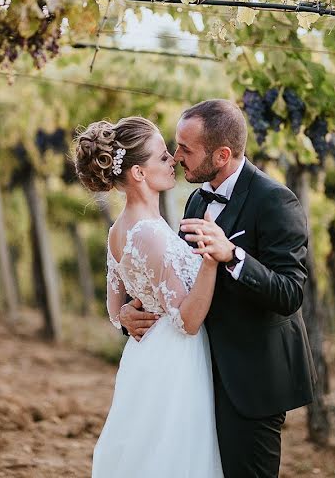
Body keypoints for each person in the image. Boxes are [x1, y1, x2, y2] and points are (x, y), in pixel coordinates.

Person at [119, 99, 316, 477]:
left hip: (251, 381)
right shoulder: (196, 198)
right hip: (197, 375)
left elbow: (291, 293)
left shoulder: (275, 201)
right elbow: (172, 276)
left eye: (186, 149)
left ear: (222, 154)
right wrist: (129, 309)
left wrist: (234, 255)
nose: (175, 157)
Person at [74, 116, 224, 478]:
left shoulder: (119, 229)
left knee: (148, 453)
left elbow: (114, 310)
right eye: (161, 157)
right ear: (139, 173)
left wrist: (126, 314)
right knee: (173, 457)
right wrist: (211, 261)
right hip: (176, 360)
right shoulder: (149, 234)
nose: (172, 159)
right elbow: (187, 321)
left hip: (145, 355)